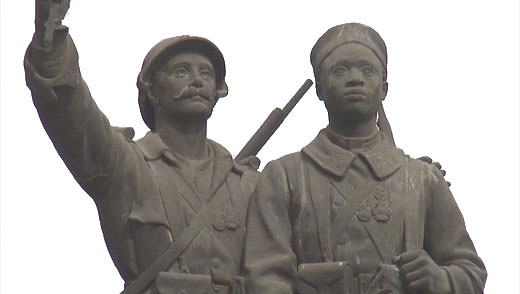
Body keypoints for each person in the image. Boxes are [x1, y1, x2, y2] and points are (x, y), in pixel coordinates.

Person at [24, 1, 258, 293]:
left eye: (206, 74)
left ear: (218, 91)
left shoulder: (249, 183)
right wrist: (51, 27)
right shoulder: (123, 164)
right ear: (152, 90)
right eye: (182, 72)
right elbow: (67, 105)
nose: (197, 80)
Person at [243, 23, 486, 294]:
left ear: (384, 88)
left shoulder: (422, 178)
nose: (355, 78)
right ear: (320, 90)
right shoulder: (284, 176)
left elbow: (470, 270)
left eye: (367, 70)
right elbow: (266, 277)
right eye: (340, 70)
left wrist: (441, 279)